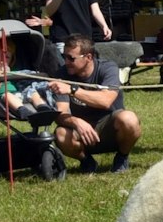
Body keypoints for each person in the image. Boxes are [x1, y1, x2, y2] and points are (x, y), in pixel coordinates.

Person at [50, 36, 140, 172]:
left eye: (71, 58)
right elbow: (60, 113)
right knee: (60, 134)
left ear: (88, 57)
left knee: (129, 119)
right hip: (81, 132)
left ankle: (122, 157)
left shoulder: (108, 68)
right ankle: (87, 161)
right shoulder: (62, 75)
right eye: (64, 57)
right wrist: (77, 122)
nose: (66, 62)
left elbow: (105, 101)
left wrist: (72, 90)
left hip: (111, 128)